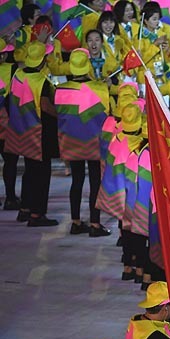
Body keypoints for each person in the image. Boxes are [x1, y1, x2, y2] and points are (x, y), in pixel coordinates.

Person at [56, 49, 111, 237]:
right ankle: (95, 224)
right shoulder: (99, 88)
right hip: (94, 142)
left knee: (76, 181)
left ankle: (76, 222)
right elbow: (106, 114)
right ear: (88, 65)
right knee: (95, 182)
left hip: (72, 142)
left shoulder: (61, 90)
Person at [7, 42, 58, 226]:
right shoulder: (41, 81)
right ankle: (37, 215)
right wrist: (61, 112)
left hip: (21, 131)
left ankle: (25, 209)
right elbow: (46, 106)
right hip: (39, 134)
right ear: (42, 60)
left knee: (29, 172)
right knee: (42, 174)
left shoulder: (17, 75)